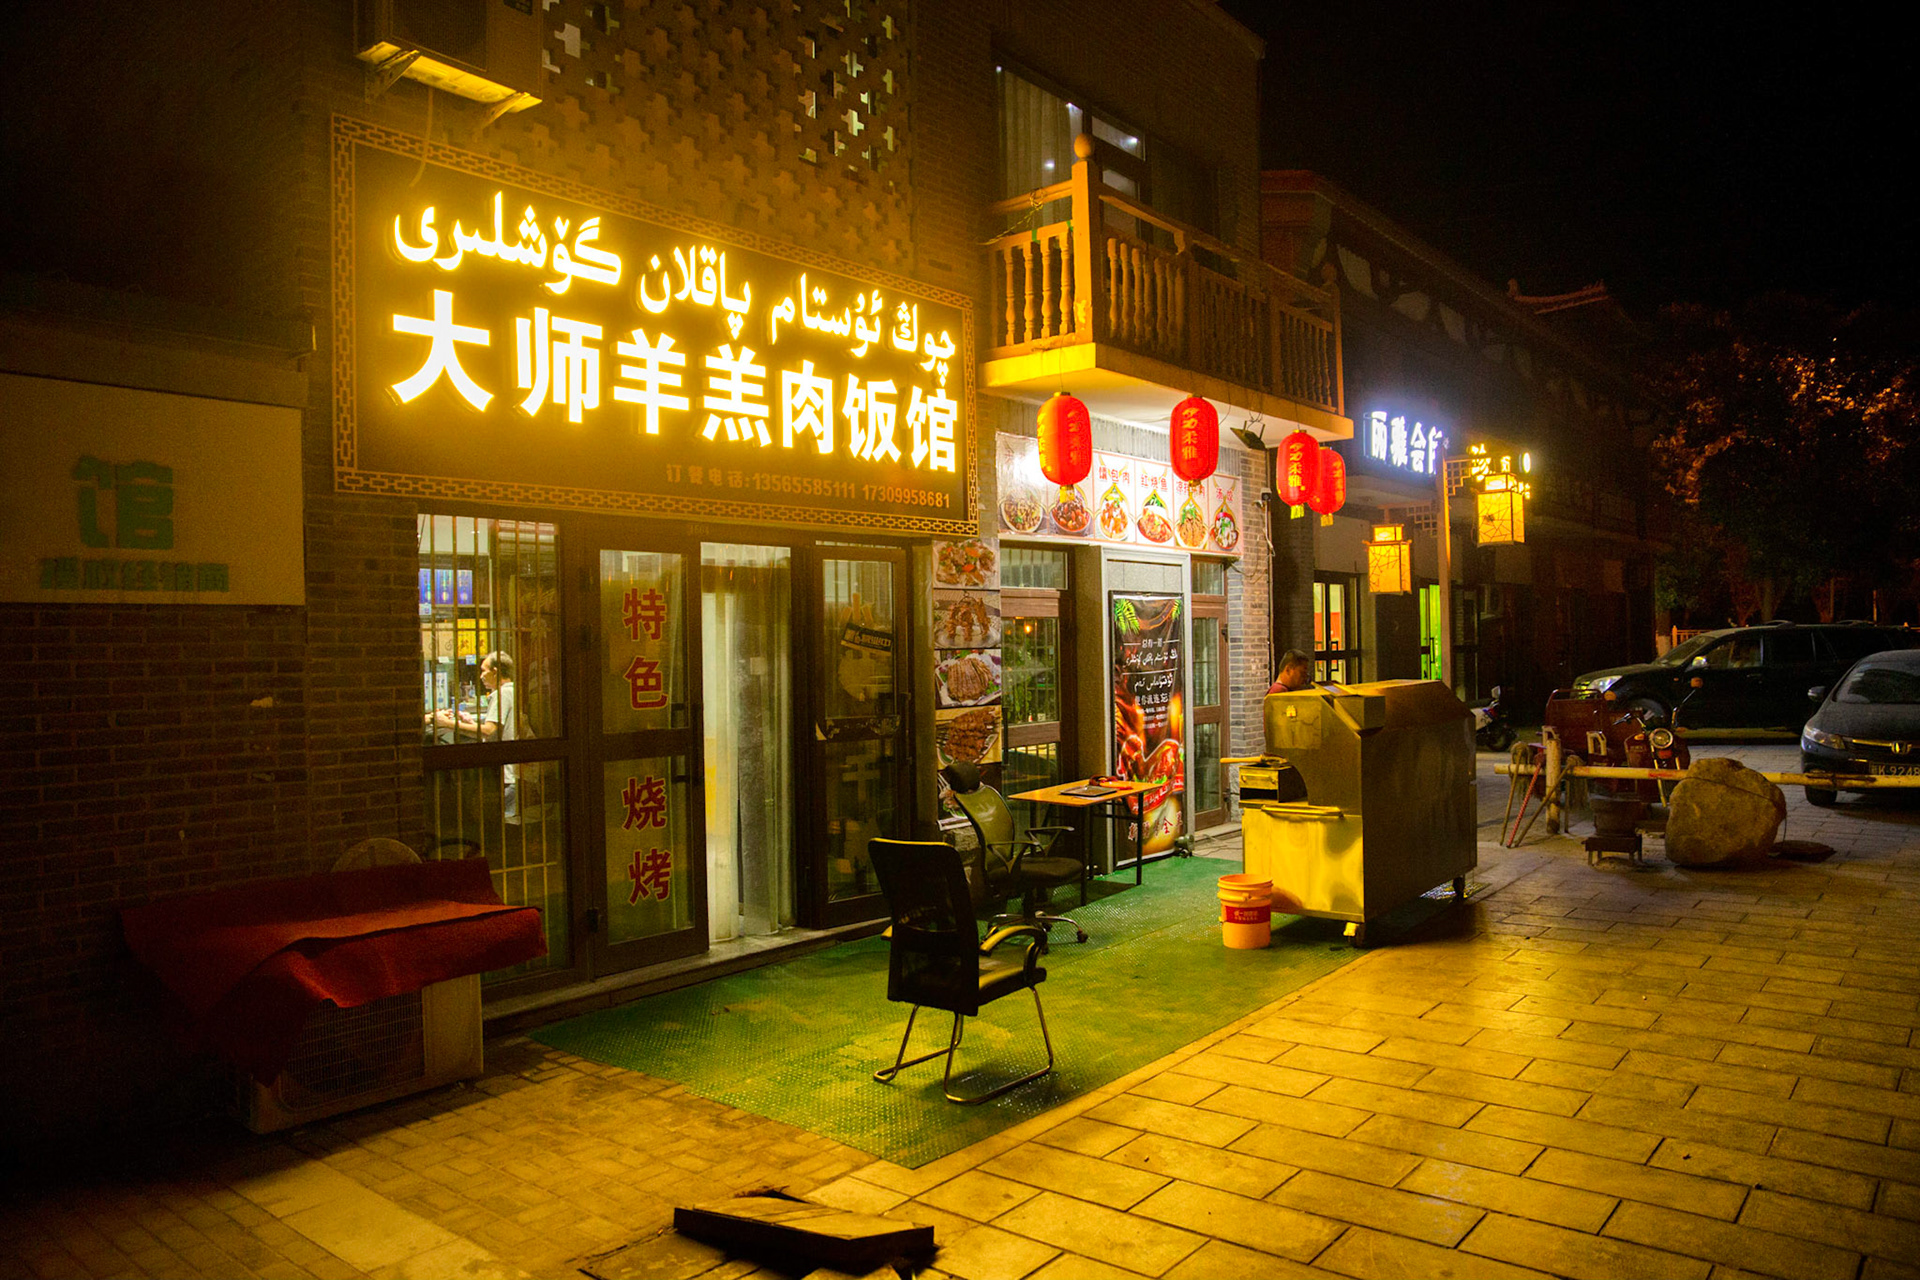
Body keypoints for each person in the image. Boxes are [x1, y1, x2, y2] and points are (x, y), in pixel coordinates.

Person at [425, 651, 522, 819]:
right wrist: (469, 723)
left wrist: (446, 723)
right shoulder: (512, 691)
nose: (481, 676)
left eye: (484, 671)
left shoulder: (501, 694)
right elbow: (493, 732)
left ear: (495, 672)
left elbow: (488, 731)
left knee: (502, 821)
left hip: (507, 774)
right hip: (511, 772)